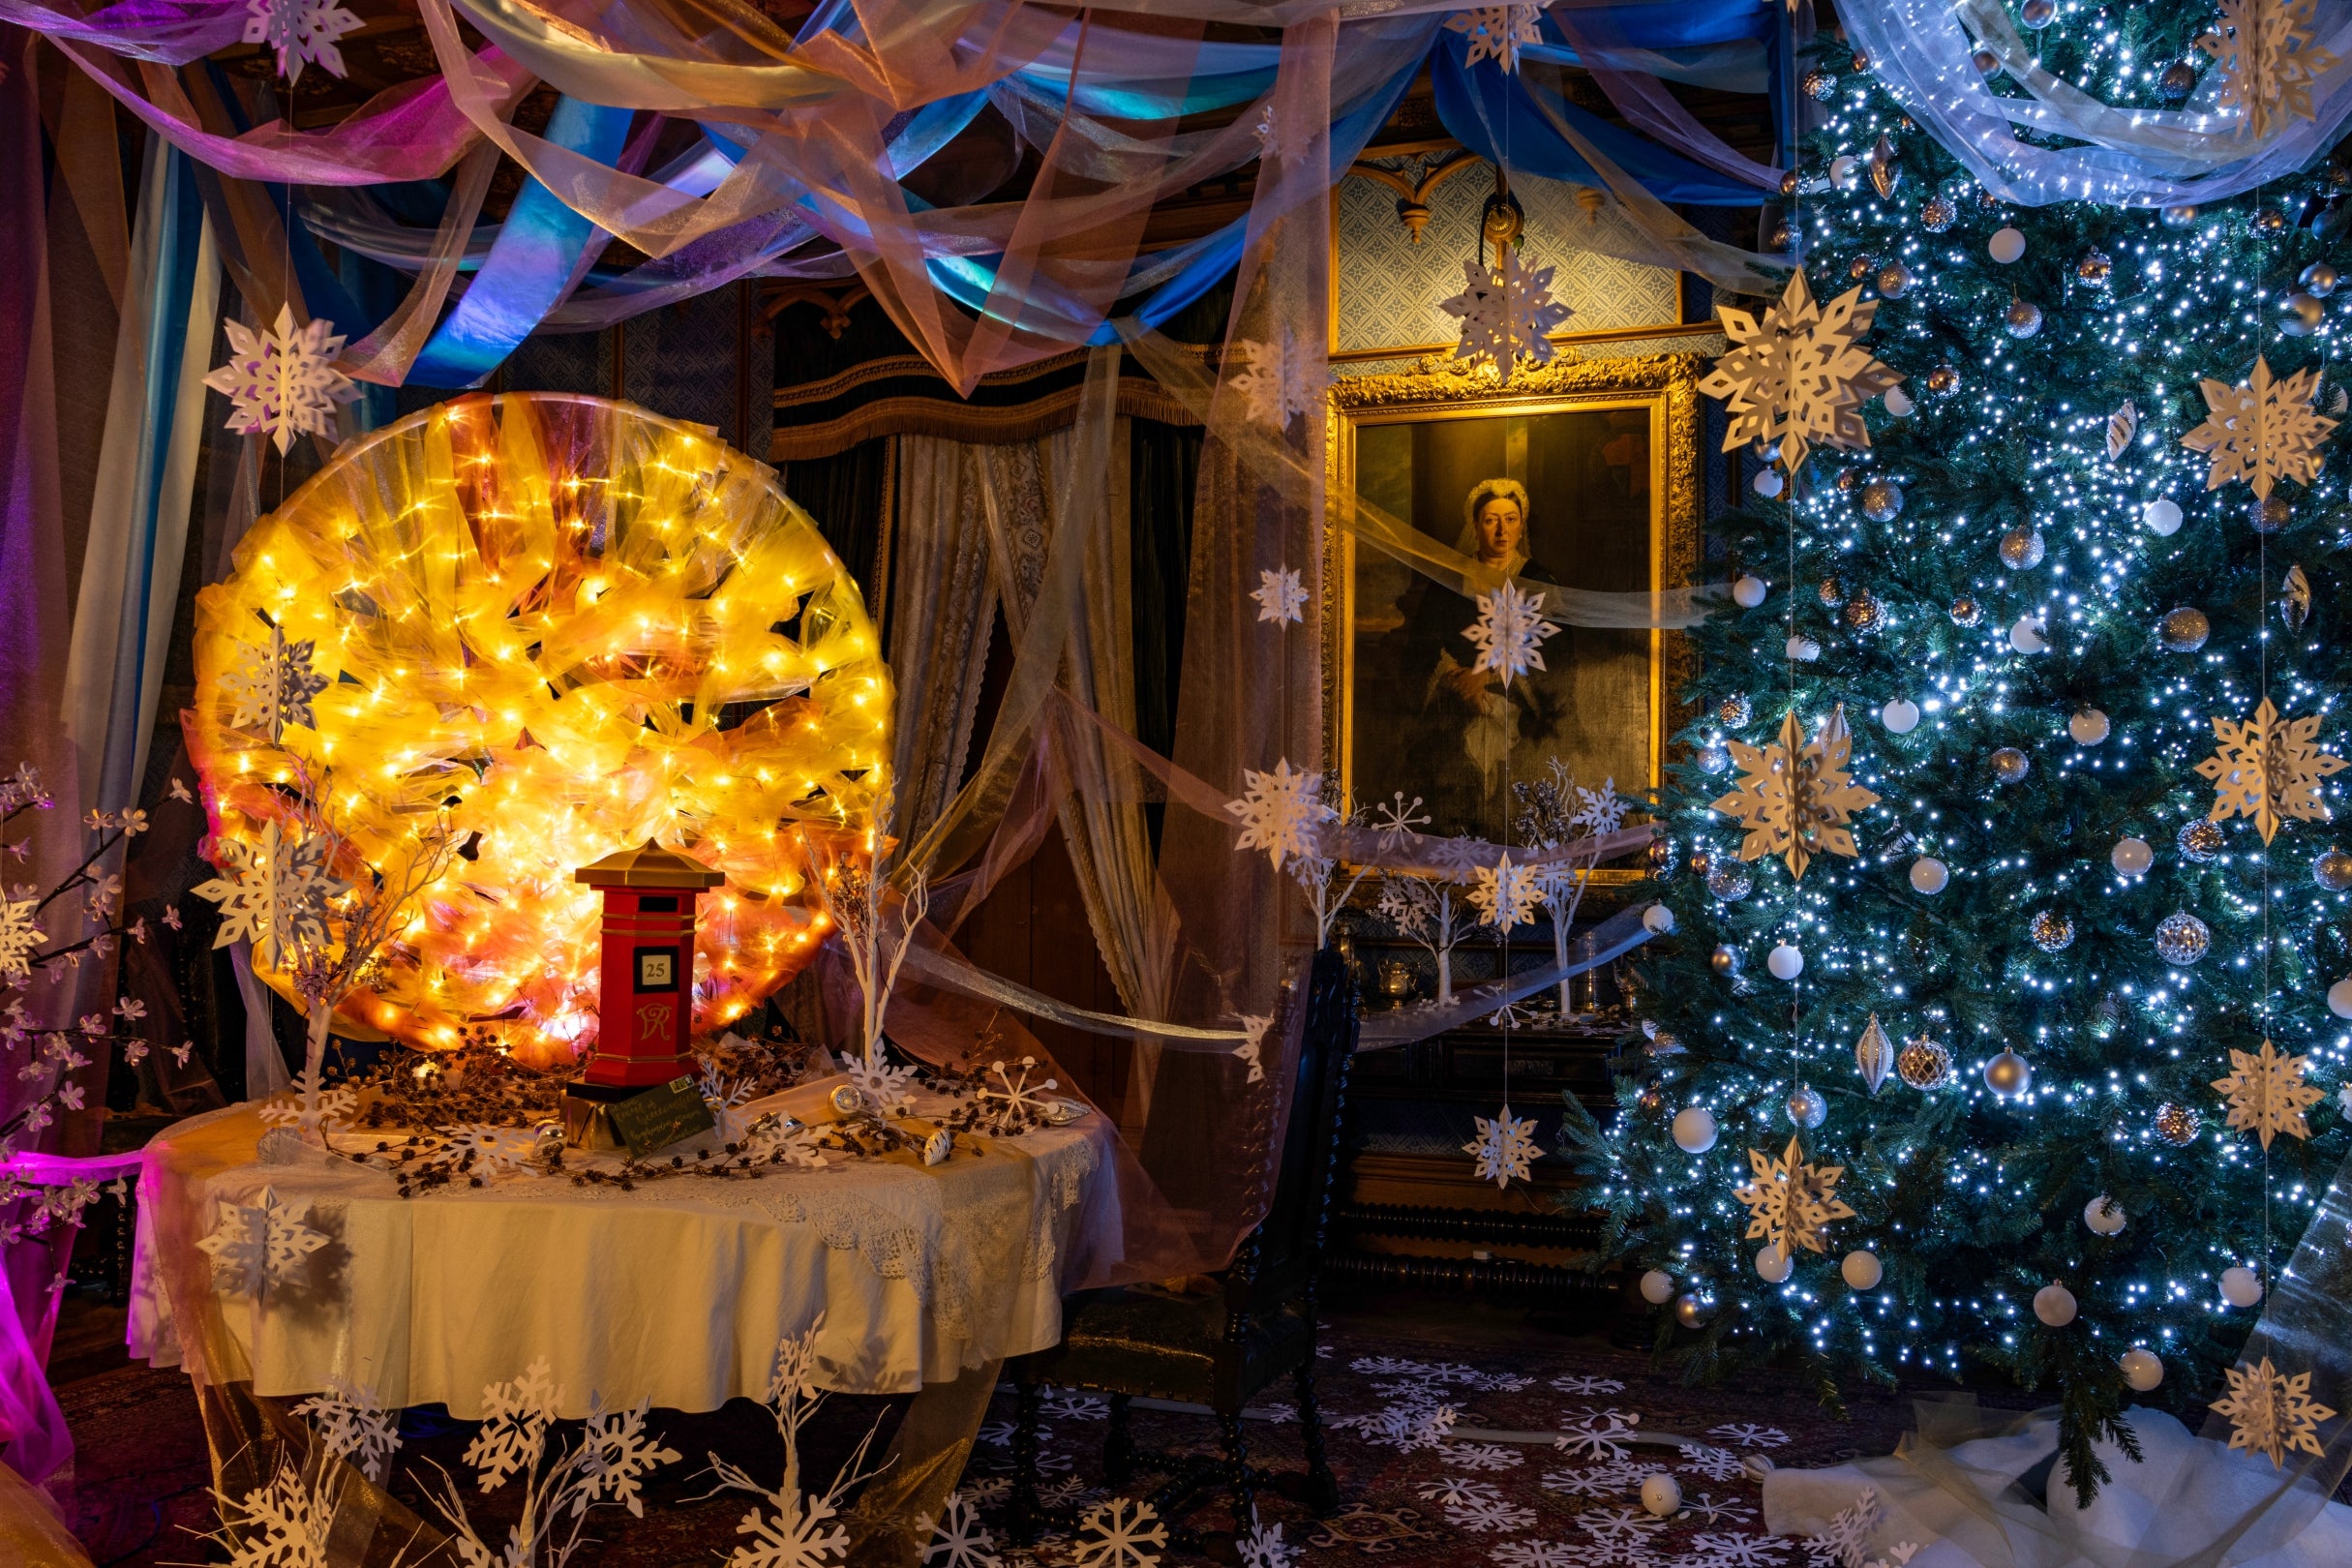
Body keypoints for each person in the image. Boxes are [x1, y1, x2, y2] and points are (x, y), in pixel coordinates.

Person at [1395, 478, 1562, 831]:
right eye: (1491, 520)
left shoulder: (1538, 580)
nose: (1502, 530)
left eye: (1511, 519)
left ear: (1522, 524)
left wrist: (1485, 676)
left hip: (1520, 703)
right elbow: (1423, 645)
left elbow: (1555, 651)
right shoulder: (1451, 580)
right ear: (1475, 526)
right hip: (1452, 700)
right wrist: (1458, 678)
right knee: (1442, 773)